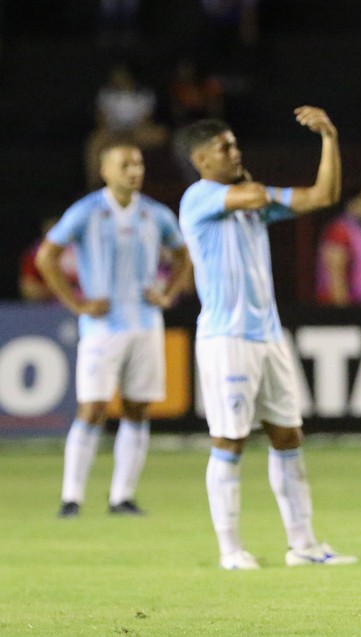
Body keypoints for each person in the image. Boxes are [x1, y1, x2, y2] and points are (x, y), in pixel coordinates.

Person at [175, 107, 357, 571]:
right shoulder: (199, 198)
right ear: (200, 160)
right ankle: (230, 550)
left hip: (268, 336)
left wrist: (329, 139)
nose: (236, 153)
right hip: (226, 338)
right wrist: (255, 185)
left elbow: (324, 195)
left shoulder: (248, 200)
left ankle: (304, 545)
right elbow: (256, 193)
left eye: (236, 145)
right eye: (225, 148)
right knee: (229, 440)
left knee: (288, 434)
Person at [35, 143, 191, 518]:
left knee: (137, 409)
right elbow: (46, 256)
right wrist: (77, 304)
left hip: (146, 324)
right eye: (125, 165)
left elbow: (184, 254)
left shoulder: (156, 214)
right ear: (106, 171)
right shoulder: (87, 211)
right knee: (93, 408)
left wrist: (168, 293)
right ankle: (72, 497)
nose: (134, 170)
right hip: (102, 328)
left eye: (138, 163)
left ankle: (122, 496)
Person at [85, 64, 169, 189]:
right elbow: (101, 121)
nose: (119, 78)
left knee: (161, 134)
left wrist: (130, 132)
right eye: (116, 76)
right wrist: (115, 131)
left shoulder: (144, 94)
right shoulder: (106, 94)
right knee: (95, 142)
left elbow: (147, 121)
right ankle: (94, 185)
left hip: (136, 132)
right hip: (113, 132)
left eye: (122, 75)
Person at [315, 187, 361, 306]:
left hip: (360, 305)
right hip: (339, 309)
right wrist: (345, 314)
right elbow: (336, 278)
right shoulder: (339, 231)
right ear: (352, 202)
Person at [19, 217, 79, 302]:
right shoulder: (36, 253)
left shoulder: (84, 250)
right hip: (49, 309)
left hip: (89, 307)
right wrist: (63, 290)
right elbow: (28, 289)